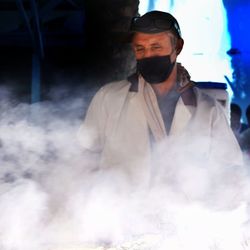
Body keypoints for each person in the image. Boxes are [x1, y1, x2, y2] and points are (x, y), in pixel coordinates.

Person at [78, 11, 243, 184]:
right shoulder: (109, 98)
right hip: (120, 208)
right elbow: (84, 157)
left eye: (156, 47)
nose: (148, 55)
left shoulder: (207, 110)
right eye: (140, 49)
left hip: (184, 209)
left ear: (177, 47)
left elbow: (229, 169)